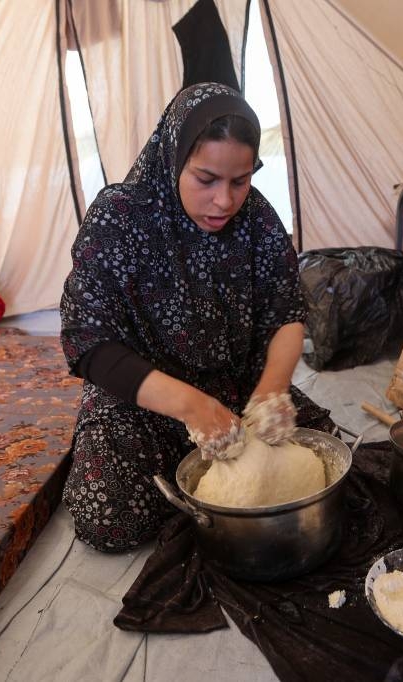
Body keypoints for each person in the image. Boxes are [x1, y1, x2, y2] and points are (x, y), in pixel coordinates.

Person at [59, 82, 333, 552]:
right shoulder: (120, 218)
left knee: (323, 456)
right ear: (174, 158)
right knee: (107, 515)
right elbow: (90, 345)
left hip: (235, 391)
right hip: (142, 398)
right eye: (206, 179)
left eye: (240, 181)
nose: (225, 201)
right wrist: (193, 408)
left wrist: (270, 390)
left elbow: (286, 313)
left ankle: (201, 484)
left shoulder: (259, 222)